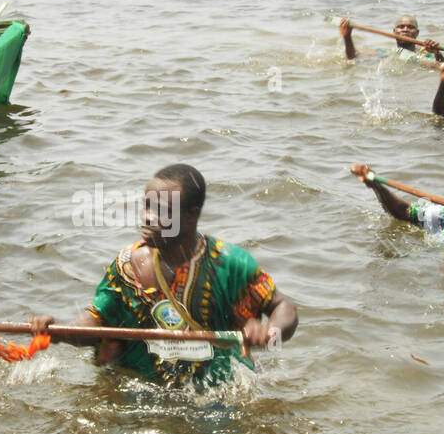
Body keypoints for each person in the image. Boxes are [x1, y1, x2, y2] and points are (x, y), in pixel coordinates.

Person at [30, 164, 299, 387]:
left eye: (161, 211)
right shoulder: (127, 267)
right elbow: (98, 320)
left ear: (191, 216)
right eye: (146, 206)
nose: (147, 218)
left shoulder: (229, 263)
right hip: (142, 387)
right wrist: (58, 331)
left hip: (215, 392)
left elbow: (283, 307)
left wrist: (270, 332)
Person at [340, 14, 444, 63]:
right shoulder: (385, 53)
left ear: (417, 33)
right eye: (401, 27)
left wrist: (437, 53)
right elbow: (353, 58)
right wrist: (347, 36)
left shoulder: (426, 54)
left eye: (410, 27)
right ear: (394, 32)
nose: (405, 30)